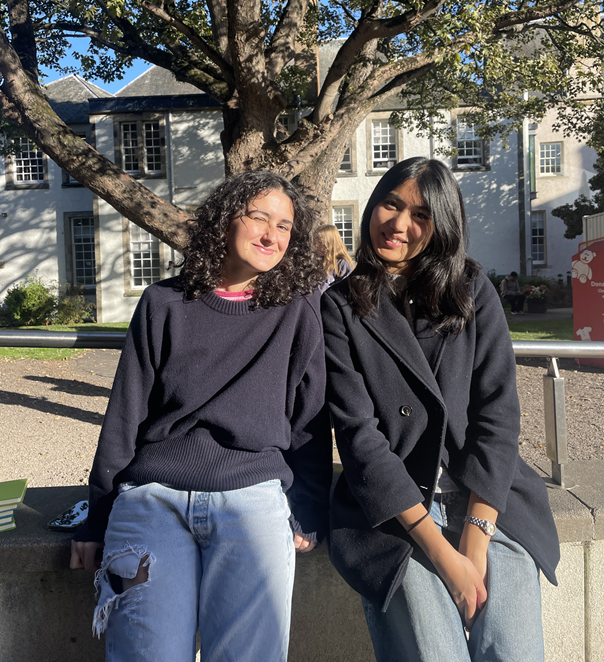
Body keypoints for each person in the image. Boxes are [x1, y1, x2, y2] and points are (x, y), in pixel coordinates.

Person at [70, 171, 332, 662]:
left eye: (285, 226)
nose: (272, 235)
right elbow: (125, 414)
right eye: (259, 217)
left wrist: (309, 510)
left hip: (253, 498)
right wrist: (95, 518)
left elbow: (309, 421)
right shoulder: (162, 304)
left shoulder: (298, 311)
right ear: (224, 219)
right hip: (152, 500)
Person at [321, 157, 559, 662]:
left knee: (513, 651)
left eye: (421, 216)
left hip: (488, 499)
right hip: (398, 513)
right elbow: (361, 439)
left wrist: (474, 541)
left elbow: (498, 416)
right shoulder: (342, 305)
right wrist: (443, 556)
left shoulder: (472, 291)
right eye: (390, 204)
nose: (399, 225)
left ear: (442, 226)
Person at [316, 223, 354, 292]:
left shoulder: (342, 264)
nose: (316, 244)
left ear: (329, 243)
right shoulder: (316, 261)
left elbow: (345, 291)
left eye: (319, 241)